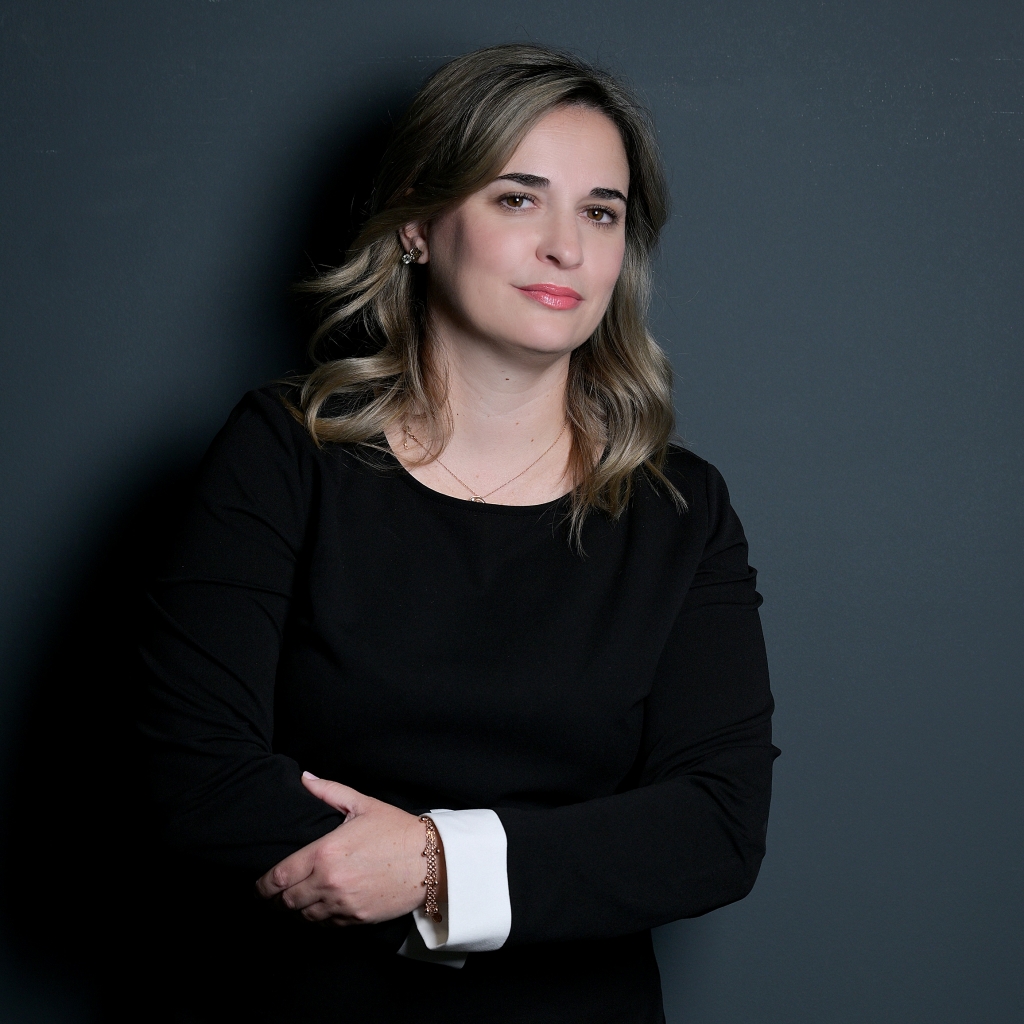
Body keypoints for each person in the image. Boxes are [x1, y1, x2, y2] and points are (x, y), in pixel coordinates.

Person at [139, 43, 779, 1024]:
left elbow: (716, 827)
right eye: (517, 199)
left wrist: (436, 865)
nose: (566, 248)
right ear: (417, 225)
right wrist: (524, 871)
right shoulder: (285, 453)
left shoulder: (679, 509)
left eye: (600, 212)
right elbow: (192, 771)